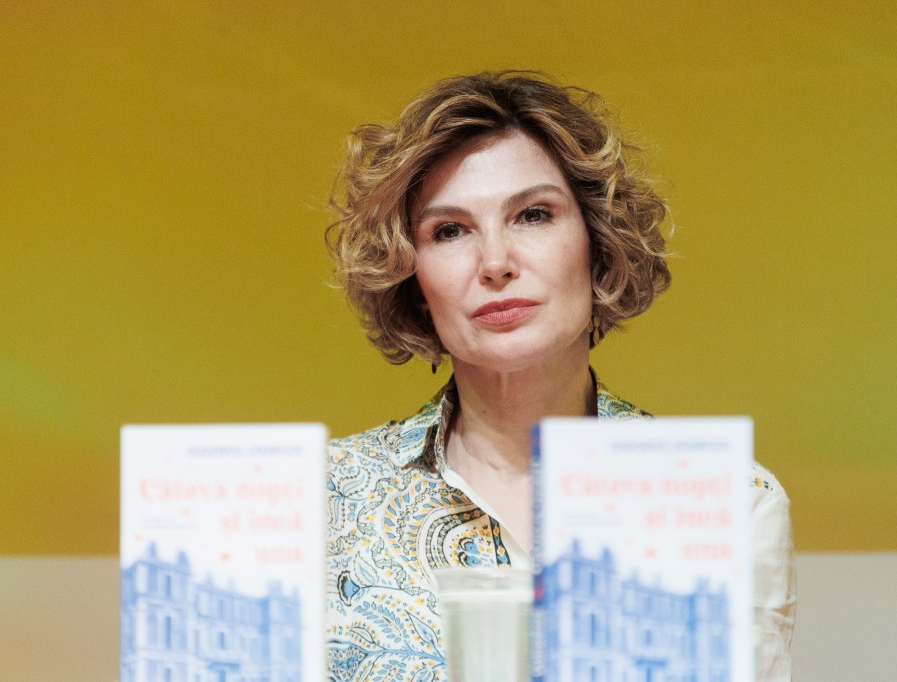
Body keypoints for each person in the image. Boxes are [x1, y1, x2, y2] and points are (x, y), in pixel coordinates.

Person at [324, 71, 796, 681]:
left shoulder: (727, 500)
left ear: (598, 244)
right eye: (450, 231)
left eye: (533, 215)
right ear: (412, 277)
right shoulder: (320, 503)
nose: (495, 263)